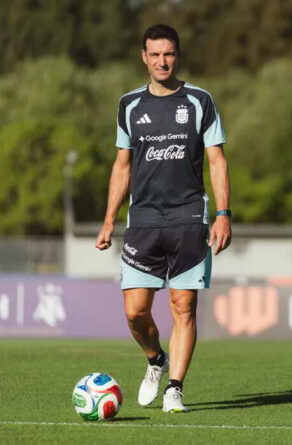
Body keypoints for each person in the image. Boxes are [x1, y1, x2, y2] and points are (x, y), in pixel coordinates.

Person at [95, 23, 231, 413]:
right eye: (154, 54)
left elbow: (217, 161)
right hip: (143, 221)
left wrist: (223, 213)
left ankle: (175, 388)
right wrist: (109, 220)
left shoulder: (200, 101)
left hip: (189, 218)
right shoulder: (129, 105)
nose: (162, 61)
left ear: (177, 55)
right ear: (144, 57)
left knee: (182, 307)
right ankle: (156, 359)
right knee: (135, 311)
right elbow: (122, 167)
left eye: (168, 53)